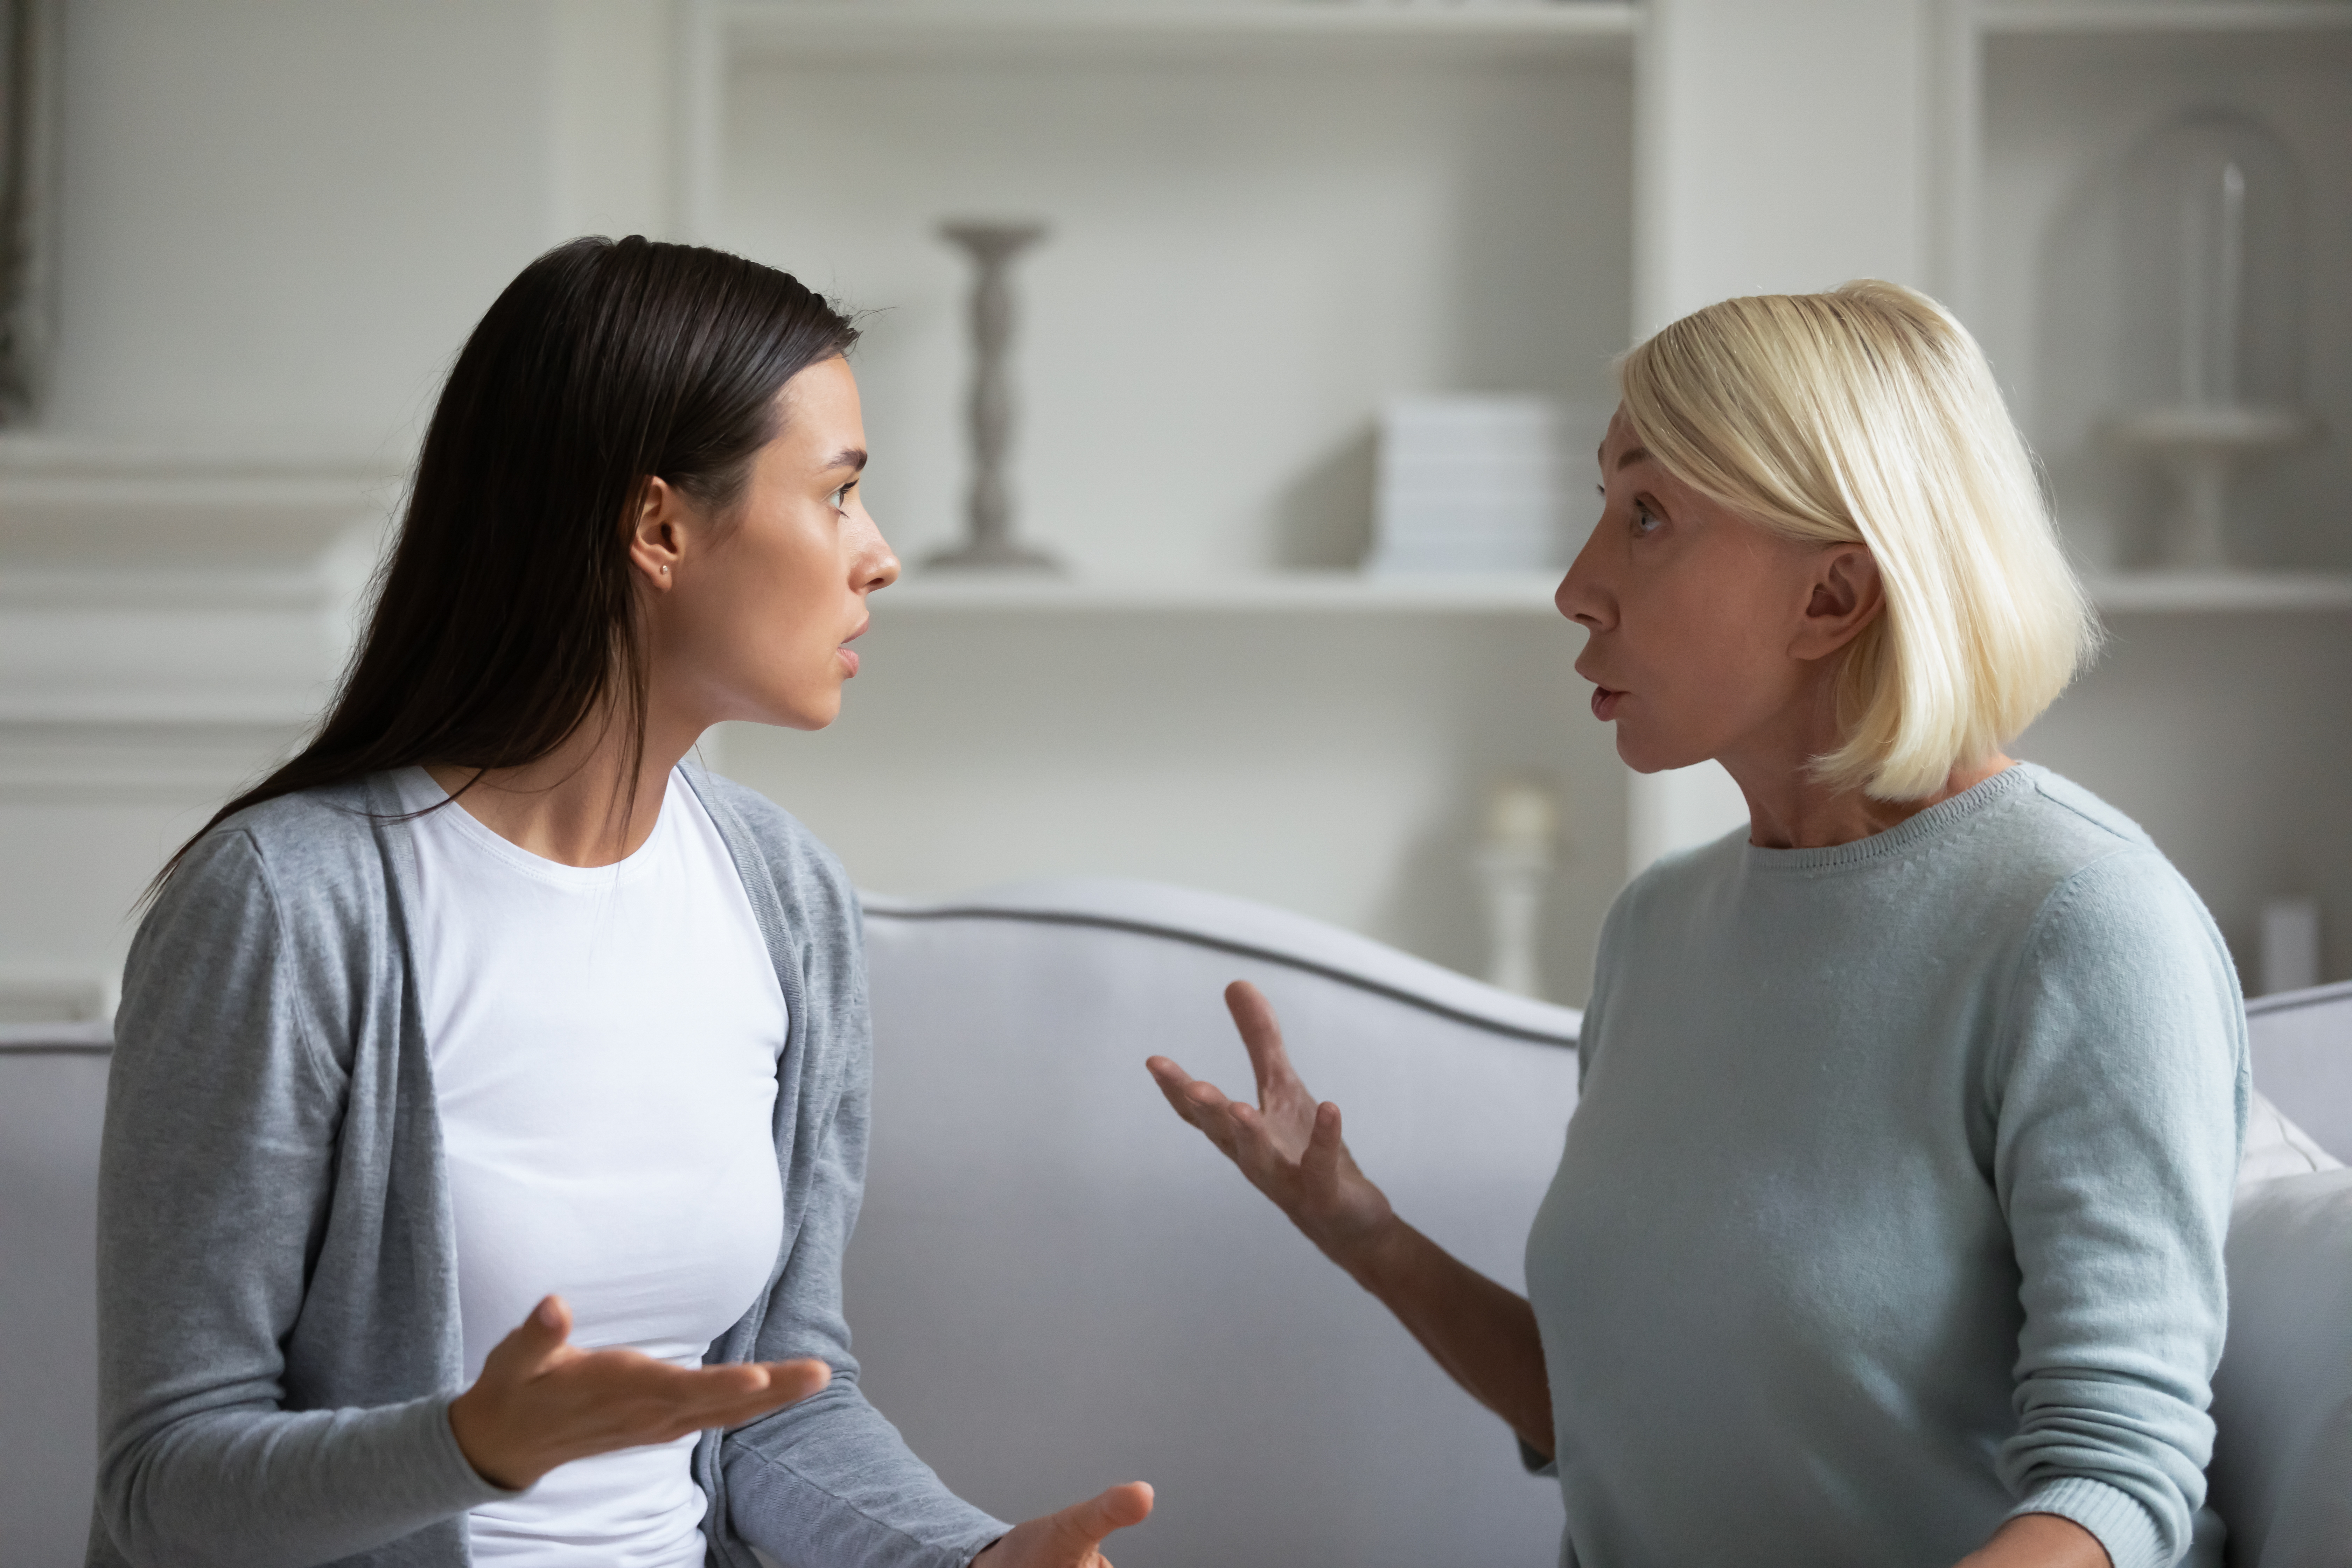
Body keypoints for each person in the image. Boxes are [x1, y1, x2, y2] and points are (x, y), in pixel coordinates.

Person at [1149, 281, 2244, 1568]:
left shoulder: (2084, 924)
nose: (1576, 586)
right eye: (1603, 507)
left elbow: (2118, 1480)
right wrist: (1365, 1232)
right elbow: (1621, 1421)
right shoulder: (1659, 930)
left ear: (1834, 596)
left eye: (1648, 515)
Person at [95, 237, 1151, 1568]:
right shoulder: (288, 906)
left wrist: (966, 1559)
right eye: (837, 495)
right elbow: (161, 1490)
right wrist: (470, 1448)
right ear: (658, 529)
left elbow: (779, 1409)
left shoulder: (784, 895)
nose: (879, 558)